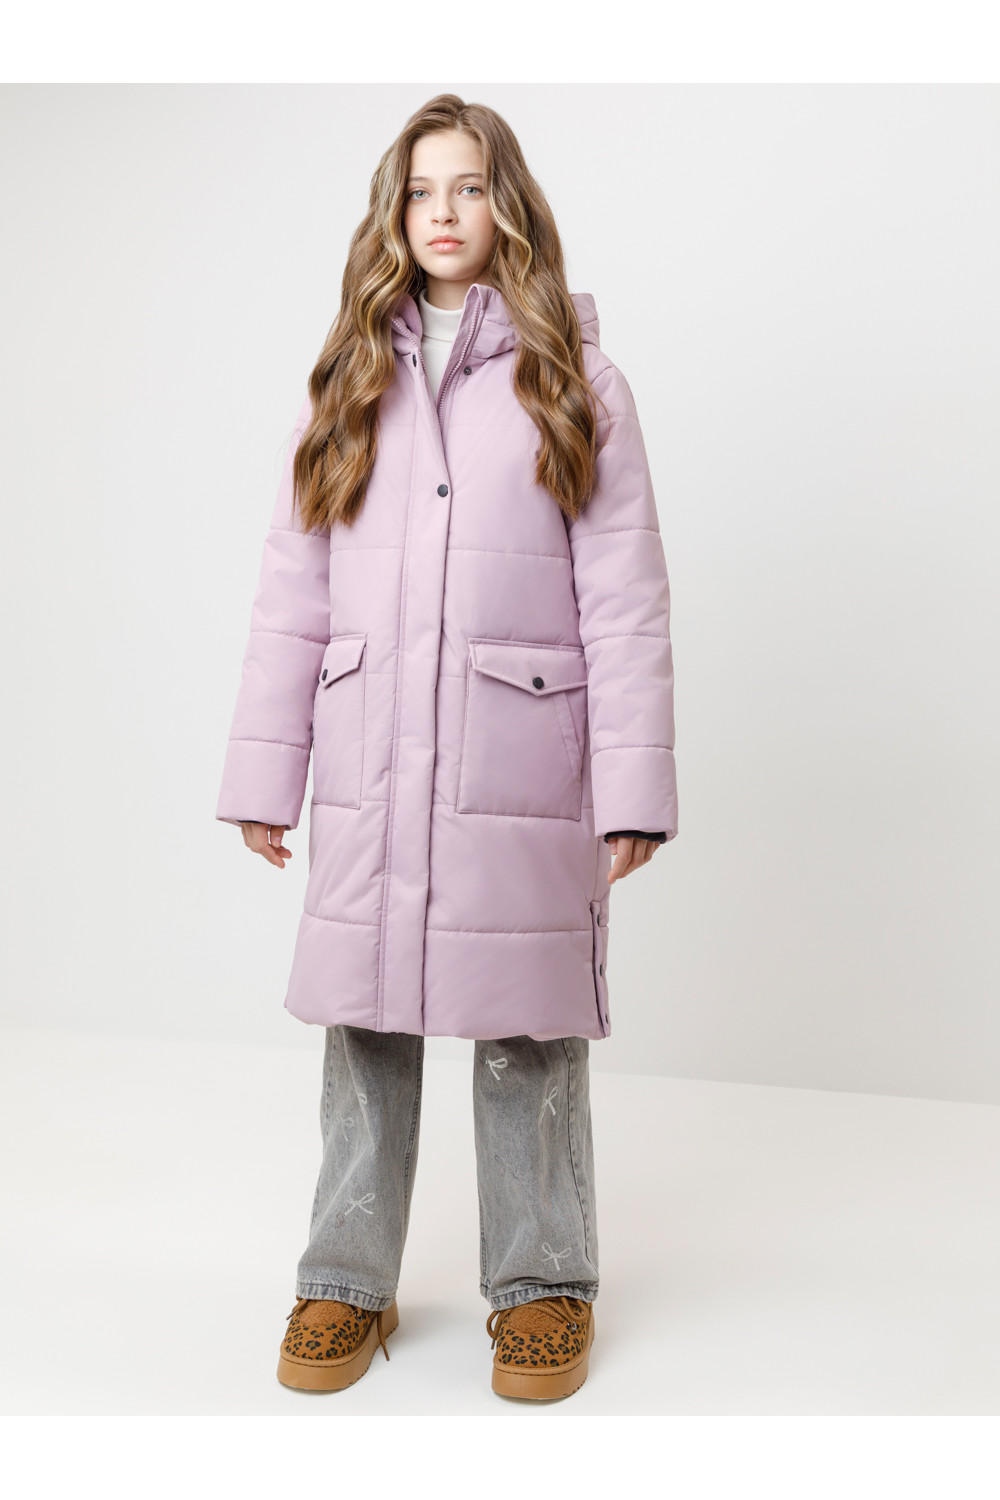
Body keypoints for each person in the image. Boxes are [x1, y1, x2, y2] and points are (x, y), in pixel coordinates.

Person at [215, 93, 678, 1403]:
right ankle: (345, 1277)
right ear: (393, 212)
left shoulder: (575, 382)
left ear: (507, 204)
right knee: (365, 1012)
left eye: (469, 186)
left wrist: (633, 784)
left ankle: (542, 1280)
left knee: (526, 1018)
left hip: (520, 759)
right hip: (372, 757)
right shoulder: (348, 377)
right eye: (422, 190)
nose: (444, 212)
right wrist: (265, 770)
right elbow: (293, 590)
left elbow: (626, 596)